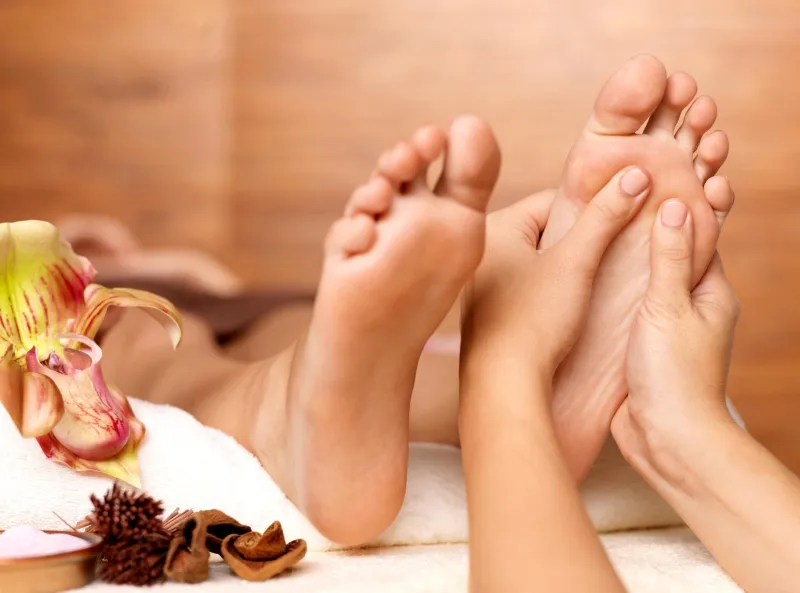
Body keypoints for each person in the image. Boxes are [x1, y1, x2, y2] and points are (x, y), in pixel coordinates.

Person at [99, 54, 733, 546]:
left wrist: (153, 266)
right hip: (201, 307)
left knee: (184, 345)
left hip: (232, 301)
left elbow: (185, 278)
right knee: (143, 333)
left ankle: (319, 393)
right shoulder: (84, 286)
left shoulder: (133, 268)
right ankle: (506, 390)